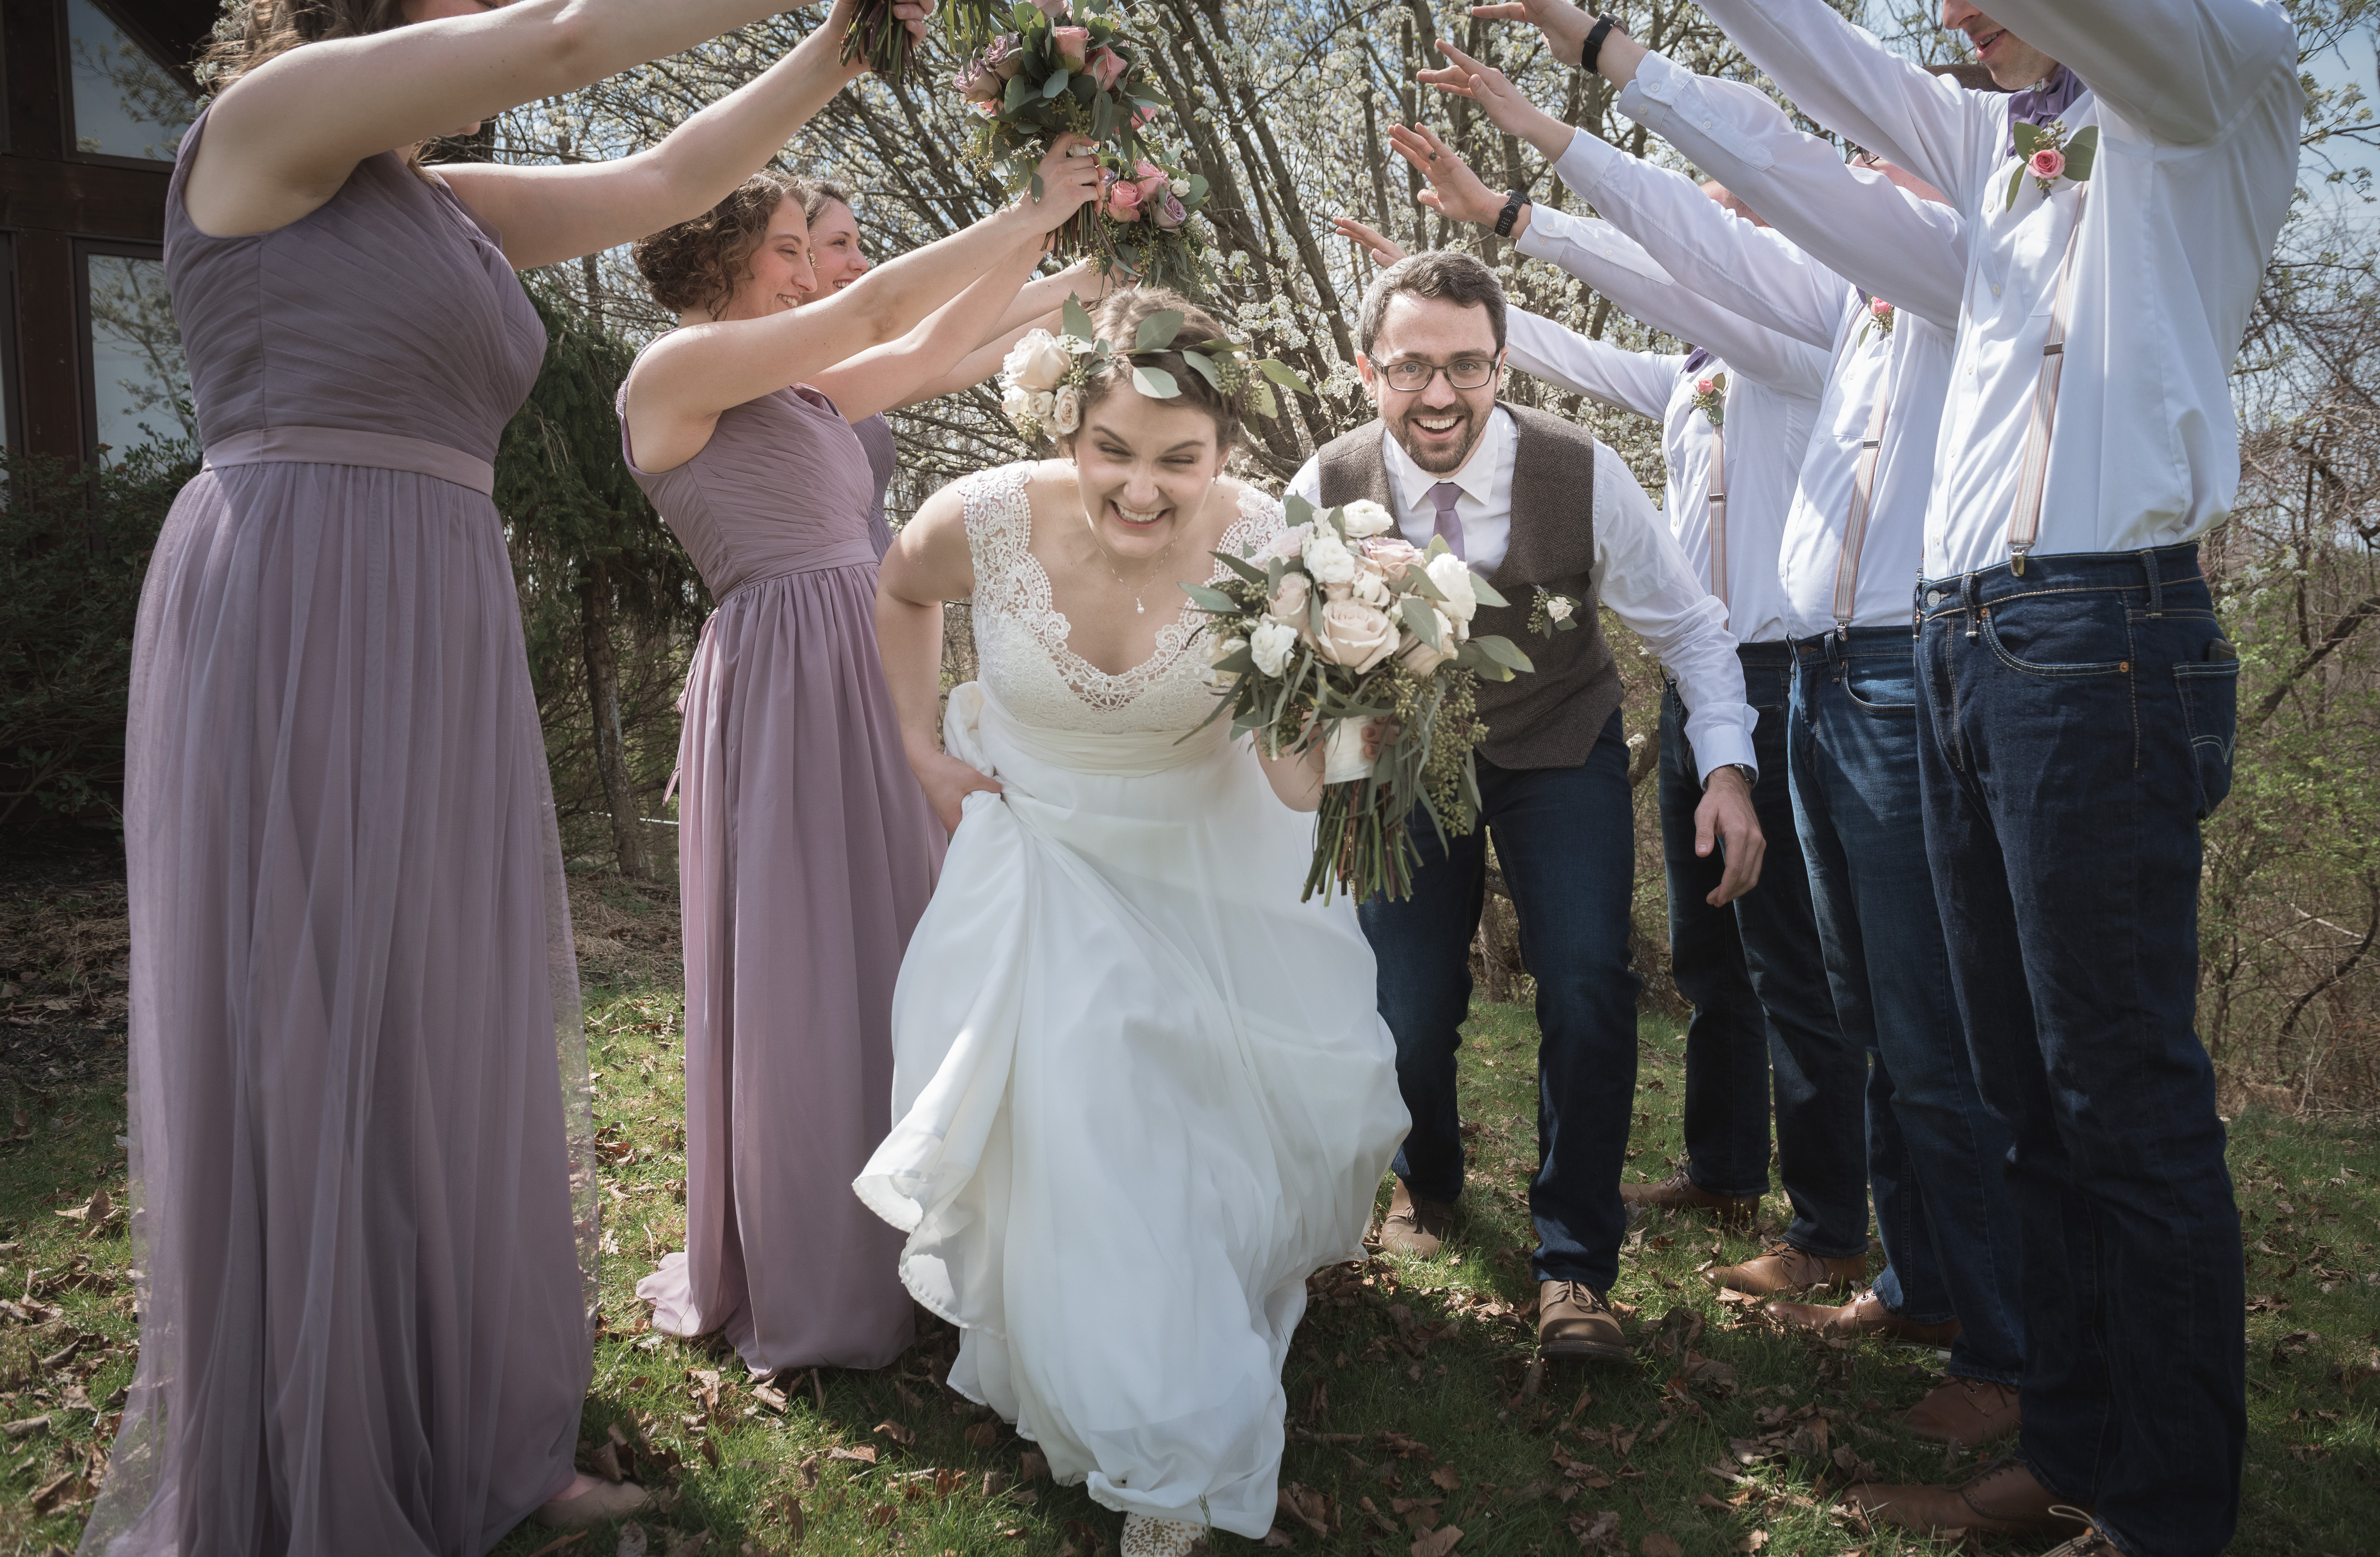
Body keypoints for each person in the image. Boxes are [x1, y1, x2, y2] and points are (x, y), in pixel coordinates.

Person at [97, 0, 941, 1549]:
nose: (502, 12)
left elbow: (678, 167)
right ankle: (319, 1433)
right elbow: (570, 39)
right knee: (321, 998)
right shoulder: (269, 129)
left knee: (451, 1004)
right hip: (296, 596)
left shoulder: (433, 206)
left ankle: (482, 1421)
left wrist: (847, 42)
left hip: (435, 603)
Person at [1551, 0, 2299, 1551]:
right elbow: (1803, 98)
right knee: (2027, 1093)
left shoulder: (2208, 68)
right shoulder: (2005, 159)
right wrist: (1646, 11)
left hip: (2100, 635)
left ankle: (2165, 1507)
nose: (1947, 13)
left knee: (2122, 1092)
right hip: (1968, 640)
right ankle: (2071, 1445)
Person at [1427, 0, 2027, 1450]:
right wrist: (1490, 249)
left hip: (1881, 669)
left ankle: (1962, 1316)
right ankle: (1902, 1269)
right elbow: (1640, 313)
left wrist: (1529, 184)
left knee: (1907, 1016)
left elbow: (1706, 259)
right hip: (1803, 672)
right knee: (1841, 988)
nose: (1817, 200)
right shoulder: (1815, 327)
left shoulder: (1867, 308)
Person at [857, 289, 1408, 1556]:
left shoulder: (1274, 551)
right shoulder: (984, 519)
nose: (1144, 489)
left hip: (1205, 863)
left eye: (1180, 459)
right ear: (1071, 429)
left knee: (1182, 1145)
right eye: (1114, 449)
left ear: (1224, 453)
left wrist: (1363, 709)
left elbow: (1284, 781)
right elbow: (898, 589)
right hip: (1036, 859)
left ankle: (1166, 1337)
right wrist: (915, 749)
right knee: (1088, 1113)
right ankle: (1173, 1458)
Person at [618, 138, 1106, 1376]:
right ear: (718, 251)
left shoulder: (798, 387)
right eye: (785, 247)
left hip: (867, 661)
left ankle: (927, 1232)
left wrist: (1064, 269)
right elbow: (881, 310)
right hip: (784, 682)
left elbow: (929, 352)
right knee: (806, 965)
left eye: (800, 247)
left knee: (904, 939)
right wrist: (1027, 207)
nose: (803, 270)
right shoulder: (672, 375)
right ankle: (819, 1264)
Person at [1284, 249, 1764, 1362]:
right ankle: (1430, 1179)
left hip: (1559, 744)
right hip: (1398, 759)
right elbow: (1280, 647)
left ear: (1503, 364)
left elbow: (1691, 629)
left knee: (1592, 981)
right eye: (1412, 368)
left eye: (1467, 366)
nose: (1440, 395)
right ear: (1368, 370)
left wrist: (1730, 769)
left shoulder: (1582, 472)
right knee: (1403, 1000)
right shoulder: (1324, 482)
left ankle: (1575, 1265)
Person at [771, 176, 1121, 557]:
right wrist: (1055, 258)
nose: (861, 262)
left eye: (858, 244)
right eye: (840, 244)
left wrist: (1074, 307)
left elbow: (955, 366)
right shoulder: (782, 375)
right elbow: (932, 345)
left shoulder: (841, 365)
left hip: (869, 577)